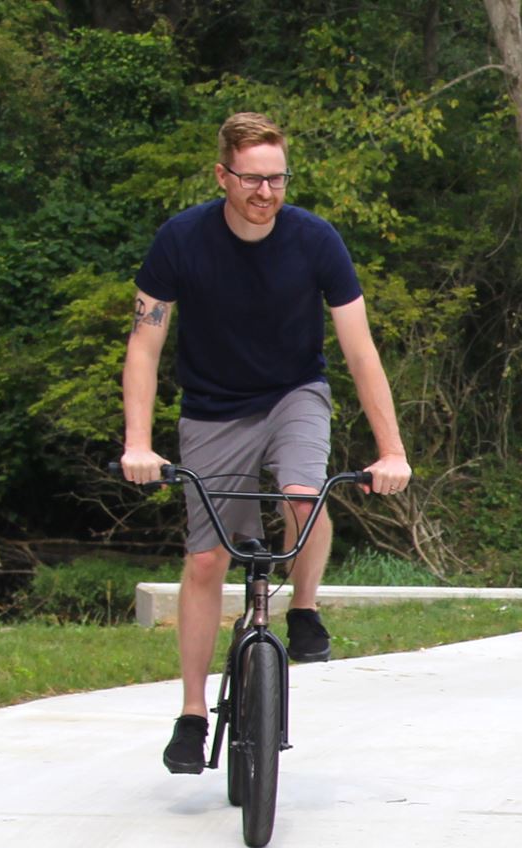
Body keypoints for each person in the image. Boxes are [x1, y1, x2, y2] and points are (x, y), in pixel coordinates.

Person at [119, 111, 412, 775]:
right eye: (252, 179)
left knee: (304, 496)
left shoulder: (315, 240)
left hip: (293, 394)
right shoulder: (181, 239)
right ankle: (192, 714)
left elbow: (359, 350)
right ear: (222, 176)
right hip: (213, 409)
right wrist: (139, 442)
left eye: (277, 178)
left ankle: (303, 610)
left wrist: (391, 450)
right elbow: (144, 344)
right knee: (206, 558)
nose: (266, 192)